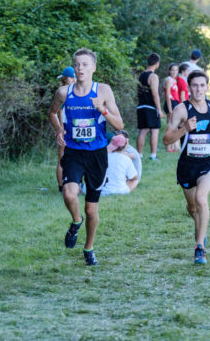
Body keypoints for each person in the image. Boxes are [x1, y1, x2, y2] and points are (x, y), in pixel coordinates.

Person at [48, 47, 124, 266]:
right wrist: (59, 130)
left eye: (85, 64)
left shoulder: (103, 91)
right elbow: (52, 112)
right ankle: (75, 221)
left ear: (94, 68)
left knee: (92, 209)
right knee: (69, 194)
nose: (80, 68)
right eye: (77, 64)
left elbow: (119, 125)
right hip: (74, 151)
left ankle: (89, 247)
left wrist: (103, 110)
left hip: (97, 155)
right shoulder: (64, 93)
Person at [163, 71, 210, 264]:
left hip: (209, 163)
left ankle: (199, 247)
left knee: (201, 199)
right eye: (194, 85)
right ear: (189, 87)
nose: (198, 89)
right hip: (187, 166)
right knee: (192, 207)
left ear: (207, 86)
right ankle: (200, 229)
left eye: (202, 85)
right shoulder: (182, 110)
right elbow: (167, 139)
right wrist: (184, 129)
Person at [136, 53, 162, 161]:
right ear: (157, 63)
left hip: (141, 106)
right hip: (150, 107)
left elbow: (138, 91)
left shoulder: (141, 75)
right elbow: (155, 93)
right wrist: (159, 109)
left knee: (142, 131)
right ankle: (153, 155)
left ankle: (139, 155)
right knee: (154, 131)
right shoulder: (153, 76)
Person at [55, 67, 77, 192]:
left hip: (68, 128)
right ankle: (62, 185)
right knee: (62, 157)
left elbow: (59, 111)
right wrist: (61, 129)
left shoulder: (63, 91)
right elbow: (59, 112)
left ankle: (63, 186)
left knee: (62, 157)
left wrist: (60, 129)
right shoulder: (71, 91)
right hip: (67, 128)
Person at [163, 63, 181, 153]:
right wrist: (170, 110)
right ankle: (169, 147)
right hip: (171, 103)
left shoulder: (174, 80)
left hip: (175, 103)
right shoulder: (169, 80)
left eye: (176, 70)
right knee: (171, 125)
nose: (174, 72)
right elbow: (167, 95)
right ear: (169, 71)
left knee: (174, 126)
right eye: (172, 70)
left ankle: (173, 146)